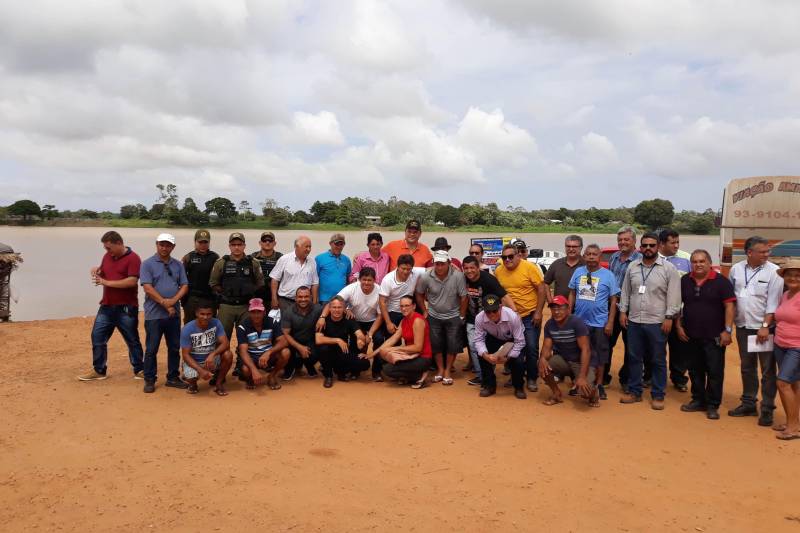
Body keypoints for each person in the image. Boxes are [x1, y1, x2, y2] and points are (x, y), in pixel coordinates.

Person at [619, 232, 681, 410]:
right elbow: (626, 291)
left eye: (651, 245)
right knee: (633, 357)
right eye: (644, 245)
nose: (648, 248)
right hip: (634, 320)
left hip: (657, 321)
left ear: (658, 247)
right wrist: (623, 311)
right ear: (640, 247)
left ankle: (658, 394)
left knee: (658, 359)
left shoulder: (668, 269)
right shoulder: (633, 266)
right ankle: (634, 392)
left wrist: (669, 317)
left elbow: (674, 296)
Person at [727, 236, 784, 427]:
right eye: (763, 251)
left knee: (768, 370)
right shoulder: (736, 269)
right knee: (747, 367)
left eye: (768, 251)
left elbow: (774, 303)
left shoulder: (774, 272)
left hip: (764, 330)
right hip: (743, 327)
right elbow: (732, 299)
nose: (767, 254)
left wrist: (765, 327)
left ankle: (767, 408)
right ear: (749, 252)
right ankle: (749, 403)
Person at [676, 250, 736, 420]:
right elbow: (677, 305)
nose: (698, 264)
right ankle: (698, 400)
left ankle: (712, 405)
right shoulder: (684, 281)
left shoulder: (721, 282)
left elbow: (730, 307)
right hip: (691, 335)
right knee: (695, 370)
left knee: (715, 371)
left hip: (714, 336)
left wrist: (727, 330)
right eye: (695, 261)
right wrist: (678, 326)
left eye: (702, 261)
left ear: (709, 263)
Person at [80, 231, 145, 381]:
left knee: (132, 340)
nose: (107, 251)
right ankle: (99, 370)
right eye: (105, 248)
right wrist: (97, 270)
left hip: (126, 307)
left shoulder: (134, 258)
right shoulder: (107, 256)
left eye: (109, 248)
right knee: (97, 337)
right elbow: (104, 270)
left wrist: (106, 282)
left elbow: (132, 281)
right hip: (107, 305)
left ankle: (139, 369)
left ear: (119, 243)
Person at [568, 244, 619, 400]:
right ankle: (578, 382)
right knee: (578, 353)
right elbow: (572, 294)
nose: (591, 257)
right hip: (579, 322)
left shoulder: (608, 275)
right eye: (588, 254)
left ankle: (599, 384)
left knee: (600, 357)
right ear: (584, 256)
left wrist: (610, 322)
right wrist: (569, 317)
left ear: (599, 256)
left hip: (599, 323)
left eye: (594, 254)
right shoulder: (578, 272)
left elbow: (613, 300)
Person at [140, 233, 189, 393]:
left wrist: (173, 301)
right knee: (151, 348)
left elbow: (184, 286)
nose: (164, 247)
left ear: (173, 247)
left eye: (168, 245)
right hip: (154, 314)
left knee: (174, 347)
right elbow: (147, 287)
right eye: (162, 244)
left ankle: (173, 377)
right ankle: (149, 379)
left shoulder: (178, 265)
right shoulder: (147, 264)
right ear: (156, 244)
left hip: (173, 314)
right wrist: (164, 302)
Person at [494, 242, 545, 392]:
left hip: (529, 315)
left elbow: (541, 288)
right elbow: (499, 292)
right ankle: (516, 377)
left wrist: (539, 311)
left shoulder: (529, 268)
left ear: (518, 255)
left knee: (530, 347)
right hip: (510, 318)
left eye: (510, 256)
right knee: (514, 348)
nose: (507, 260)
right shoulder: (499, 271)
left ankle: (531, 378)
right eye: (504, 257)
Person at [318, 267, 385, 381]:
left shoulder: (379, 291)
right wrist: (323, 317)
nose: (366, 282)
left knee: (378, 339)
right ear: (359, 279)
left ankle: (376, 372)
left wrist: (370, 334)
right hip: (354, 319)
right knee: (355, 344)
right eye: (364, 279)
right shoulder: (351, 288)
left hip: (372, 321)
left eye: (369, 280)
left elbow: (380, 315)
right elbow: (335, 302)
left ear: (375, 280)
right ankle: (355, 371)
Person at [415, 250, 468, 385]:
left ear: (449, 263)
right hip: (434, 315)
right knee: (436, 344)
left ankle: (447, 370)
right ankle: (440, 369)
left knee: (453, 344)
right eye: (437, 263)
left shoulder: (458, 276)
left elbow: (463, 297)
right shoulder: (426, 276)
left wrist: (461, 315)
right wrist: (425, 311)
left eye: (442, 264)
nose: (439, 267)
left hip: (453, 315)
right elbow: (419, 294)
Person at [462, 256, 515, 386]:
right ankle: (482, 375)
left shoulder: (488, 280)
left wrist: (515, 313)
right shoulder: (462, 279)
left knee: (493, 347)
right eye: (466, 268)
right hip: (472, 318)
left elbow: (504, 295)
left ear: (478, 267)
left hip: (489, 319)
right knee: (474, 346)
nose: (469, 271)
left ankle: (511, 374)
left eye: (472, 268)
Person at [538, 296, 599, 407]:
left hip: (583, 362)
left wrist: (581, 377)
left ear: (568, 309)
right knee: (543, 366)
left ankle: (594, 394)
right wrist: (542, 359)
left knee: (584, 391)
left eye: (560, 308)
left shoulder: (576, 322)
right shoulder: (549, 325)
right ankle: (556, 393)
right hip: (565, 360)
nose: (556, 312)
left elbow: (586, 350)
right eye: (553, 308)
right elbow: (547, 348)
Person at [209, 232, 264, 341]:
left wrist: (250, 291)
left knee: (247, 338)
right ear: (229, 246)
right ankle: (223, 358)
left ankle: (243, 358)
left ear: (244, 245)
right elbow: (213, 283)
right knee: (222, 338)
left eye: (239, 244)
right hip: (226, 306)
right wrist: (225, 292)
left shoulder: (253, 263)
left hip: (246, 306)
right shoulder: (221, 263)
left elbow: (260, 282)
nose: (237, 247)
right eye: (233, 245)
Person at [606, 226, 642, 388]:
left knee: (632, 346)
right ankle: (603, 376)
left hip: (631, 309)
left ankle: (626, 379)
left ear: (634, 241)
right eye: (620, 240)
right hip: (612, 306)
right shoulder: (614, 257)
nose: (623, 242)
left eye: (626, 239)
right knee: (606, 343)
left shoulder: (640, 259)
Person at [474, 294, 527, 399]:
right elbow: (478, 340)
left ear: (501, 307)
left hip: (512, 340)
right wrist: (485, 355)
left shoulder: (512, 316)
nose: (492, 314)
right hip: (494, 338)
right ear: (483, 310)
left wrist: (508, 358)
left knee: (518, 361)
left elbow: (520, 341)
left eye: (494, 310)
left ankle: (519, 387)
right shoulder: (479, 318)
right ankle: (489, 385)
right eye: (488, 311)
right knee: (481, 355)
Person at [659, 229, 691, 392]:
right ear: (662, 244)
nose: (676, 246)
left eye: (678, 242)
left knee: (680, 348)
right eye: (673, 243)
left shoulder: (686, 258)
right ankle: (655, 377)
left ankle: (679, 378)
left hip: (680, 312)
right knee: (657, 347)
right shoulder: (653, 258)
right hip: (657, 313)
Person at [375, 295, 432, 388]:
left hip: (423, 358)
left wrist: (393, 349)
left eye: (407, 305)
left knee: (388, 370)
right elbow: (393, 339)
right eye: (401, 306)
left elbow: (418, 347)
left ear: (414, 306)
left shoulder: (417, 320)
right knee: (381, 356)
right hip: (410, 355)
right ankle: (407, 375)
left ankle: (421, 376)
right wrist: (373, 354)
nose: (404, 308)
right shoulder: (404, 320)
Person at [179, 301, 233, 396]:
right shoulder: (187, 329)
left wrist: (213, 354)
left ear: (212, 314)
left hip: (211, 360)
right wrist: (201, 370)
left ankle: (218, 384)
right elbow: (185, 355)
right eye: (202, 314)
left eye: (209, 314)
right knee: (191, 376)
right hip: (194, 361)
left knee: (228, 355)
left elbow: (225, 343)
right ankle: (193, 384)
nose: (205, 317)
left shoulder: (216, 323)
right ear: (196, 313)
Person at [236, 297, 289, 390]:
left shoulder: (271, 321)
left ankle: (272, 376)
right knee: (246, 369)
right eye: (253, 312)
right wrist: (254, 370)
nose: (256, 315)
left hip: (267, 355)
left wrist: (268, 352)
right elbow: (243, 351)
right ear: (249, 313)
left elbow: (284, 341)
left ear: (264, 312)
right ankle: (250, 378)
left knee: (286, 352)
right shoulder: (242, 327)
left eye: (259, 312)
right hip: (251, 356)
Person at [315, 296, 369, 387]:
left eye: (339, 307)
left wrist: (360, 339)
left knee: (365, 363)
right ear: (330, 308)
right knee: (323, 348)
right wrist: (337, 340)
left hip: (343, 351)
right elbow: (318, 339)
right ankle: (328, 376)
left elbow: (359, 333)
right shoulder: (323, 320)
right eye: (334, 307)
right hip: (328, 351)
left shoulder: (349, 318)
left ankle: (341, 372)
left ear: (344, 308)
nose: (337, 310)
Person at [773, 260, 800, 440]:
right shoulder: (786, 295)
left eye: (797, 275)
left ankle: (792, 427)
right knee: (794, 384)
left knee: (782, 383)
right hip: (780, 344)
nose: (793, 278)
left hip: (796, 346)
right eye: (789, 274)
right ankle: (794, 421)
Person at [280, 286, 323, 380]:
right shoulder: (288, 312)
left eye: (306, 296)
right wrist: (299, 347)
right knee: (284, 344)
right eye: (300, 297)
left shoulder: (318, 309)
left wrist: (322, 317)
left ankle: (308, 365)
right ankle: (290, 369)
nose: (303, 299)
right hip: (293, 341)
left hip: (309, 340)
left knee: (319, 350)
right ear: (295, 298)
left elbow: (331, 305)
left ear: (311, 297)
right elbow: (286, 334)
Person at [378, 254, 426, 335]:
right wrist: (388, 323)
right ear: (397, 266)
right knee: (394, 338)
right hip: (393, 311)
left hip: (409, 310)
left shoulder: (415, 271)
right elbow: (382, 302)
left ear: (412, 268)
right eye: (403, 268)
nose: (406, 271)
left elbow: (431, 270)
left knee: (414, 334)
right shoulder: (388, 279)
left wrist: (451, 266)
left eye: (408, 269)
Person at [270, 236, 319, 315]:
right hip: (286, 301)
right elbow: (275, 279)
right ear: (297, 246)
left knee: (303, 325)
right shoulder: (284, 259)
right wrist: (274, 298)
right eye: (306, 247)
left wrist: (314, 301)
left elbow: (315, 283)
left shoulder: (312, 262)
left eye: (310, 247)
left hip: (305, 302)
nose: (309, 249)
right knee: (286, 325)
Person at [181, 230, 220, 325]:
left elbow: (220, 278)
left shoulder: (215, 257)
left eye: (205, 242)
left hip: (210, 298)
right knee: (190, 325)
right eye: (200, 242)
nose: (203, 245)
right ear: (195, 242)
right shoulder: (188, 257)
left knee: (210, 326)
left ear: (209, 242)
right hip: (192, 299)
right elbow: (181, 278)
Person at [544, 235, 584, 301]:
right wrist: (550, 300)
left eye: (574, 247)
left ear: (581, 247)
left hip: (580, 308)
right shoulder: (556, 264)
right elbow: (546, 283)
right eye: (568, 246)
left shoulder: (586, 265)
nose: (571, 249)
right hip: (560, 308)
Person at [249, 231, 283, 310]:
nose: (267, 242)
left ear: (274, 243)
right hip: (256, 297)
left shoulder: (281, 258)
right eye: (264, 240)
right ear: (260, 243)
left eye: (270, 241)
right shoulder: (252, 257)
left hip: (274, 298)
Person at [316, 233, 351, 304]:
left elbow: (348, 280)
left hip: (342, 299)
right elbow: (314, 280)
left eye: (341, 244)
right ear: (330, 244)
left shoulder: (346, 260)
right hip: (324, 300)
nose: (339, 247)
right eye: (336, 244)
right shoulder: (319, 258)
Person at [0, 243, 22, 322]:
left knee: (3, 288)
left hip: (3, 274)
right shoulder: (6, 249)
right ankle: (3, 312)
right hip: (4, 274)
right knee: (4, 289)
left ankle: (3, 312)